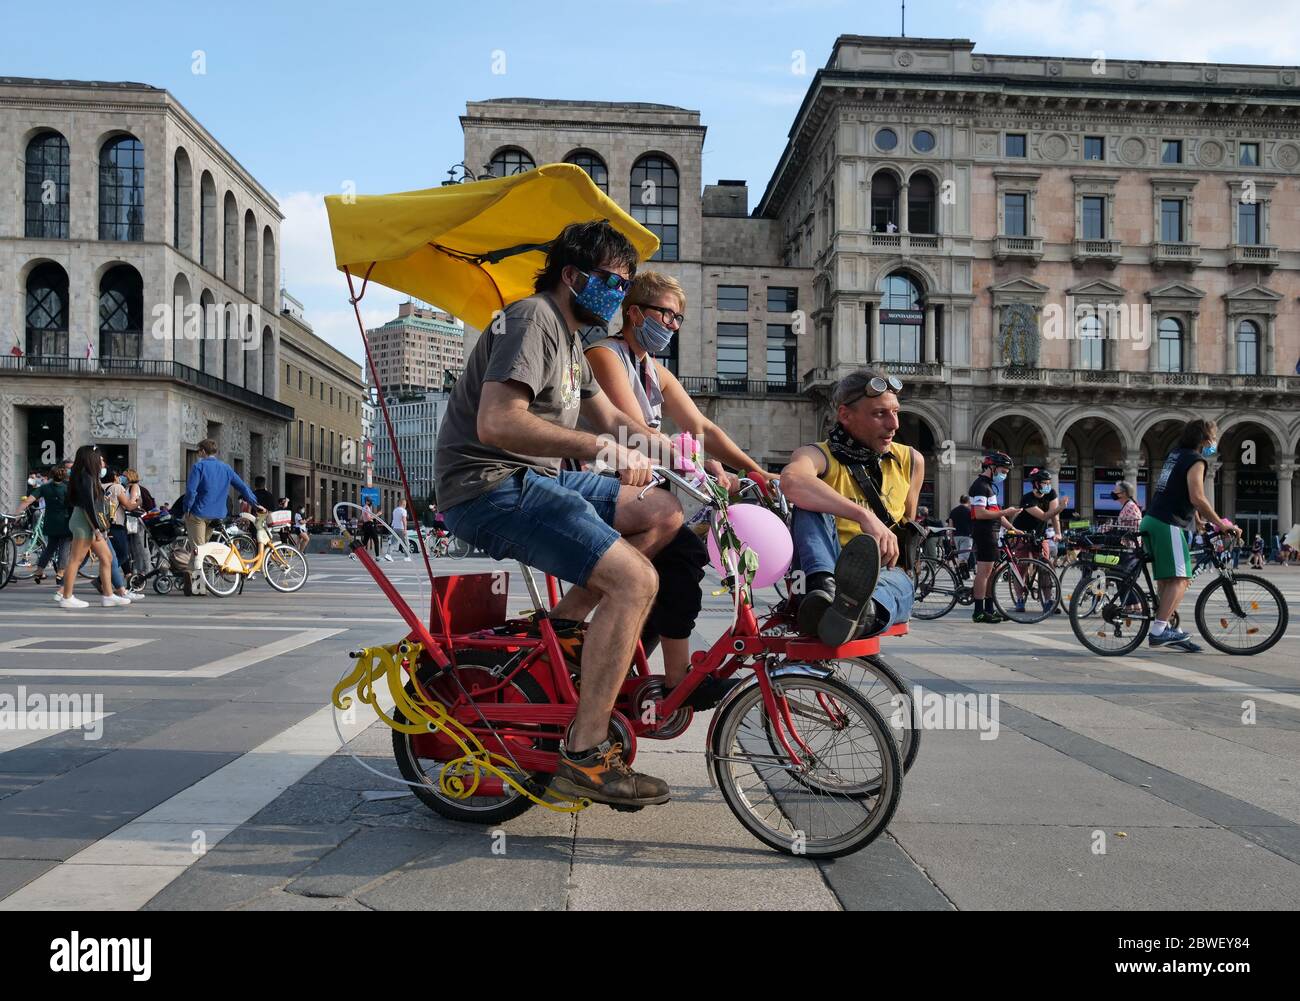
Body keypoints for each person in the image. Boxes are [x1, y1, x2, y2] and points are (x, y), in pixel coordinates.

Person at [434, 220, 683, 809]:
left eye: (625, 287)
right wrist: (604, 451)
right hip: (488, 486)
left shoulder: (572, 341)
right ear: (571, 275)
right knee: (635, 580)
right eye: (609, 282)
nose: (618, 296)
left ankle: (570, 626)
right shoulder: (532, 319)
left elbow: (620, 426)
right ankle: (585, 753)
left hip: (535, 479)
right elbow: (497, 423)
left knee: (665, 511)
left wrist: (697, 463)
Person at [585, 270, 776, 710]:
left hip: (639, 489)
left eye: (679, 319)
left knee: (673, 571)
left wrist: (755, 471)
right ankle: (675, 680)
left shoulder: (653, 370)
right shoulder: (605, 354)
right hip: (598, 483)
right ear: (634, 312)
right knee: (682, 557)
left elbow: (702, 427)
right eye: (666, 314)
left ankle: (644, 675)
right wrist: (690, 461)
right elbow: (634, 429)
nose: (672, 325)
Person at [779, 370, 919, 645]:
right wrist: (862, 515)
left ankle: (857, 616)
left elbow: (906, 534)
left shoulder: (911, 460)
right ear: (845, 415)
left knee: (900, 581)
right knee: (809, 499)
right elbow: (792, 480)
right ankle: (825, 593)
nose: (894, 425)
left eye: (896, 412)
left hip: (879, 580)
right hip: (825, 568)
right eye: (880, 414)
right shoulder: (817, 454)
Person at [1142, 418, 1239, 652]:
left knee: (1167, 581)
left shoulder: (1175, 455)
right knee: (1181, 579)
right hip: (1169, 523)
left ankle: (1169, 630)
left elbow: (1176, 491)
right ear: (1204, 439)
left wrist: (1197, 520)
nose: (1214, 442)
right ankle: (1158, 630)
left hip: (1153, 519)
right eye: (1213, 438)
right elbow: (1197, 496)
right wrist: (1220, 524)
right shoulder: (1196, 460)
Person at [56, 446, 125, 609]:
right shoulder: (85, 477)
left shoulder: (87, 476)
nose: (102, 462)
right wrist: (97, 529)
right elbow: (88, 506)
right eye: (99, 458)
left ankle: (108, 595)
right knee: (76, 559)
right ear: (90, 459)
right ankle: (66, 596)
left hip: (87, 522)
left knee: (107, 557)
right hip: (84, 522)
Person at [968, 451, 1023, 623]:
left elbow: (996, 514)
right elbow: (980, 513)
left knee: (991, 572)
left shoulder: (989, 487)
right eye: (1003, 471)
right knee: (984, 573)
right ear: (992, 467)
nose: (1004, 474)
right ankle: (978, 611)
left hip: (992, 532)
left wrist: (1012, 528)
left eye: (1006, 472)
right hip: (985, 533)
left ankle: (989, 609)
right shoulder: (980, 486)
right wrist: (1006, 511)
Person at [183, 439, 263, 551]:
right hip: (218, 514)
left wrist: (187, 508)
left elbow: (191, 491)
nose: (198, 454)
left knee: (198, 550)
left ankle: (199, 567)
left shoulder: (198, 467)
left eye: (198, 451)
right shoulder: (226, 468)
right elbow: (242, 487)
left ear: (203, 451)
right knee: (204, 547)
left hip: (200, 512)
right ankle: (203, 567)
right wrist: (255, 504)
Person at [16, 466, 71, 584]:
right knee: (64, 549)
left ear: (51, 475)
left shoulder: (44, 487)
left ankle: (39, 571)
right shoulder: (67, 488)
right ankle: (60, 573)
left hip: (50, 522)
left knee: (50, 548)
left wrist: (16, 514)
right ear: (65, 476)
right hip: (65, 521)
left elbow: (27, 501)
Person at [947, 494, 975, 572]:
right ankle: (963, 574)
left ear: (960, 501)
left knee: (960, 555)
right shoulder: (970, 511)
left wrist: (951, 538)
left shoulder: (953, 511)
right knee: (963, 557)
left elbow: (950, 526)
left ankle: (962, 573)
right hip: (967, 536)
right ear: (968, 501)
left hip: (956, 536)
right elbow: (974, 524)